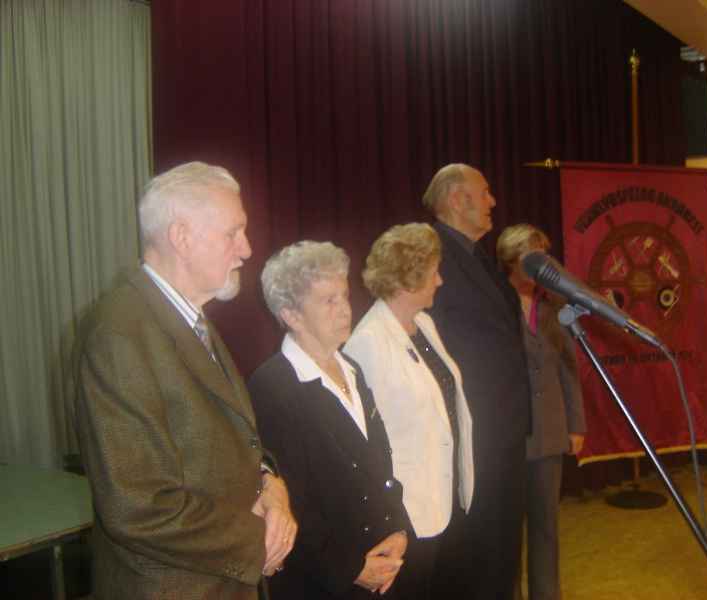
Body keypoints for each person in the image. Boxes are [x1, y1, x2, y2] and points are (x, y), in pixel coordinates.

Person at [73, 161, 297, 600]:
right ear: (181, 237)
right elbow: (138, 505)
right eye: (233, 232)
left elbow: (231, 439)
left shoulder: (187, 318)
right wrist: (259, 542)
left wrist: (269, 482)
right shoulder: (119, 333)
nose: (246, 249)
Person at [247, 241, 412, 599]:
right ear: (291, 315)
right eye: (329, 301)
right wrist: (351, 567)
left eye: (345, 296)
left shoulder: (351, 368)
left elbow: (380, 462)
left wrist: (398, 530)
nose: (345, 309)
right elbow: (293, 502)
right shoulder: (272, 386)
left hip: (379, 564)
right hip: (323, 582)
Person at [344, 223, 474, 600]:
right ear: (407, 279)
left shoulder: (424, 325)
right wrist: (387, 519)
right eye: (433, 272)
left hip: (445, 497)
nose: (440, 280)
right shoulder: (367, 342)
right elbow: (365, 445)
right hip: (406, 514)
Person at [423, 164, 530, 600]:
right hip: (472, 433)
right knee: (477, 556)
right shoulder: (431, 255)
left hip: (503, 431)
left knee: (502, 551)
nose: (493, 201)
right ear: (456, 199)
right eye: (484, 192)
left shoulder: (477, 255)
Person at [497, 224, 586, 600]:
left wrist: (576, 424)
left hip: (550, 432)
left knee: (546, 527)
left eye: (543, 256)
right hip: (509, 437)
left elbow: (569, 367)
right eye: (533, 256)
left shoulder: (555, 306)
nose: (541, 265)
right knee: (507, 532)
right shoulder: (495, 303)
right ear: (512, 259)